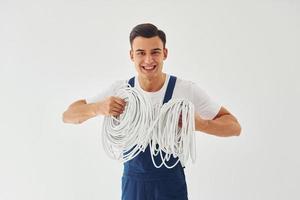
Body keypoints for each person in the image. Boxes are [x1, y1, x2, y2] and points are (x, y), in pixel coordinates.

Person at [62, 23, 242, 200]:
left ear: (165, 53)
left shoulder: (185, 90)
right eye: (141, 53)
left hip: (170, 183)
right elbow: (68, 115)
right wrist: (98, 108)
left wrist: (200, 124)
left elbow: (234, 126)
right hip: (134, 185)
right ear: (132, 55)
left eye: (155, 52)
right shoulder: (121, 90)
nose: (148, 60)